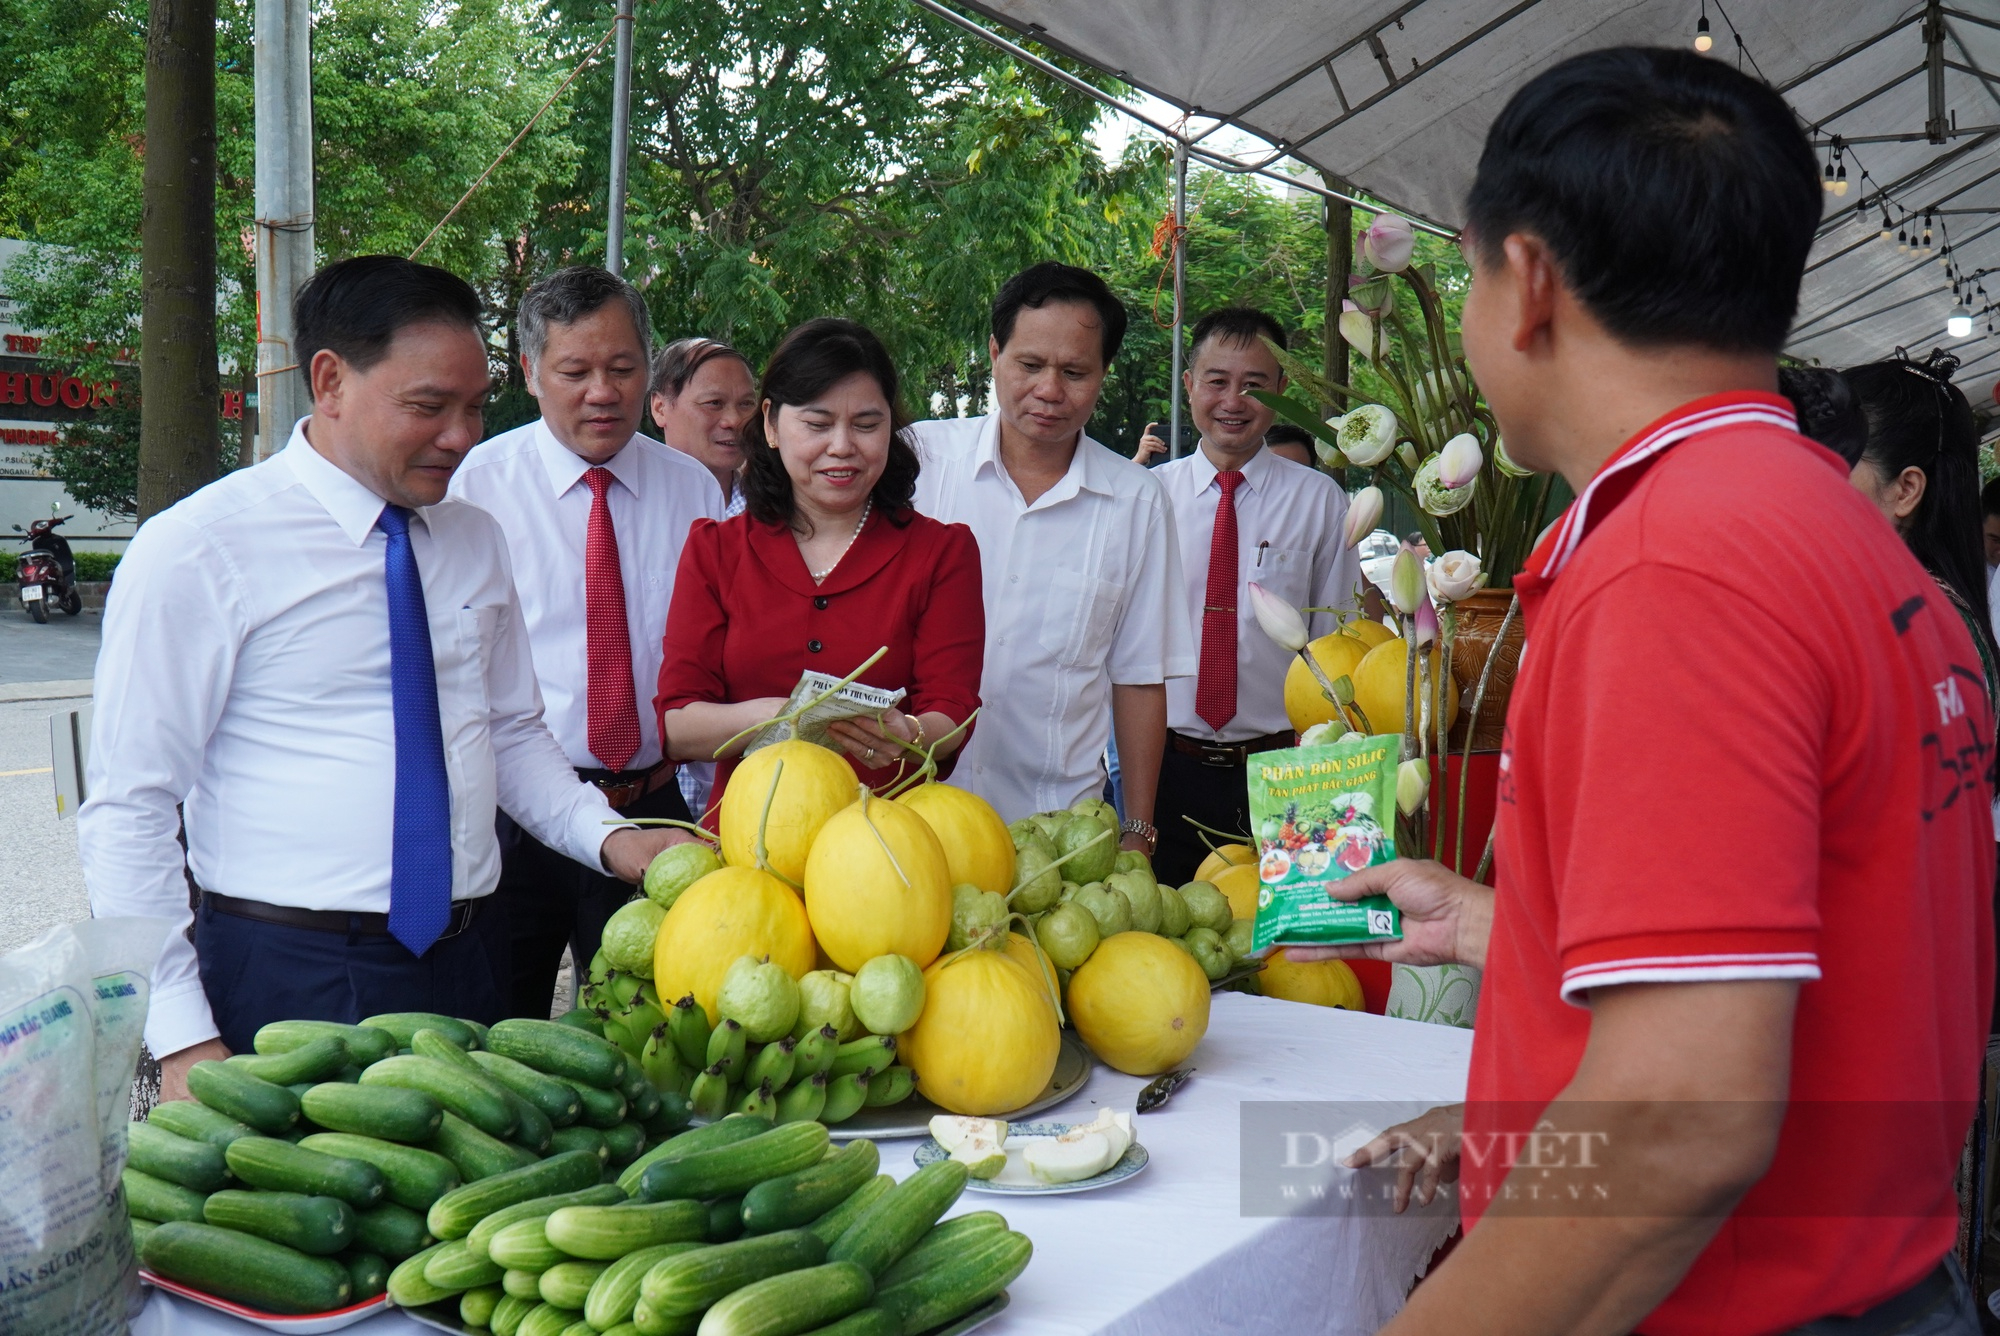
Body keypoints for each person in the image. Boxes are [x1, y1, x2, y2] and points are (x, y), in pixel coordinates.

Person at [1294, 48, 1993, 1332]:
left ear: (1530, 284)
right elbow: (1814, 956)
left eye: (1464, 273)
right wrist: (1512, 1074)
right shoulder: (1830, 538)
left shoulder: (1675, 565)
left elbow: (1677, 1126)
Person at [78, 256, 684, 1097]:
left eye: (475, 408)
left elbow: (507, 731)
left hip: (465, 963)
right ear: (330, 381)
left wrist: (607, 836)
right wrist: (180, 1036)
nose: (462, 436)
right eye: (429, 407)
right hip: (288, 975)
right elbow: (129, 806)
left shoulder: (473, 538)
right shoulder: (204, 549)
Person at [448, 266, 719, 1020]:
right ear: (532, 373)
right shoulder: (477, 488)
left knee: (649, 1029)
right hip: (518, 816)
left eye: (622, 368)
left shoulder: (694, 490)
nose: (602, 391)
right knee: (506, 1033)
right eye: (575, 371)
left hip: (653, 808)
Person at [909, 262, 1195, 847]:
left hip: (1055, 835)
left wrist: (1138, 831)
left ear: (1103, 374)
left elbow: (1138, 679)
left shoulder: (1136, 501)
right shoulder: (918, 461)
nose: (1049, 391)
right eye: (1030, 365)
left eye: (1074, 372)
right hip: (910, 816)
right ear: (994, 352)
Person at [657, 318, 983, 803]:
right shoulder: (716, 549)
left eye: (867, 424)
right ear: (770, 424)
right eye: (817, 423)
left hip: (886, 844)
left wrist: (908, 731)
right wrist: (788, 715)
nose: (842, 446)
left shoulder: (942, 553)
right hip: (744, 845)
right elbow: (679, 725)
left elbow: (953, 711)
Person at [1148, 308, 1357, 884]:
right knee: (1171, 941)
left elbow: (1338, 646)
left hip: (1286, 769)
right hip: (1165, 769)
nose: (1232, 401)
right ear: (1189, 384)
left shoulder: (1321, 503)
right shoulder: (1147, 499)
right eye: (1217, 381)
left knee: (1293, 952)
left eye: (1254, 384)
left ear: (1282, 391)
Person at [650, 336, 757, 518]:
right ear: (660, 408)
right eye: (714, 403)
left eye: (746, 404)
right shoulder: (638, 507)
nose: (734, 421)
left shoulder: (778, 508)